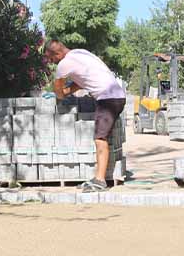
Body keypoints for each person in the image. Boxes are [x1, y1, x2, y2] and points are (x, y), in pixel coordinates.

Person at [44, 40, 127, 192]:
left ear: (57, 53)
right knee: (101, 137)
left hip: (107, 98)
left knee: (100, 139)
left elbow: (58, 89)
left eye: (51, 58)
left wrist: (59, 95)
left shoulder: (64, 64)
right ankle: (98, 177)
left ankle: (100, 180)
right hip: (114, 95)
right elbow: (82, 82)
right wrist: (67, 92)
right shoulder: (81, 53)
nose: (51, 62)